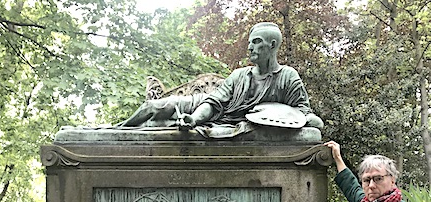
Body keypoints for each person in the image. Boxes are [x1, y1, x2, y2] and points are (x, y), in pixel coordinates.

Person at [117, 22, 323, 132]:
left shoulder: (287, 77)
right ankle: (117, 131)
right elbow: (213, 102)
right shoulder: (239, 75)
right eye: (250, 42)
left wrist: (309, 120)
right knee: (152, 108)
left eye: (257, 42)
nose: (250, 47)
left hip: (226, 119)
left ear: (272, 45)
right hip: (203, 106)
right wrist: (194, 119)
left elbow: (305, 113)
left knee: (156, 125)